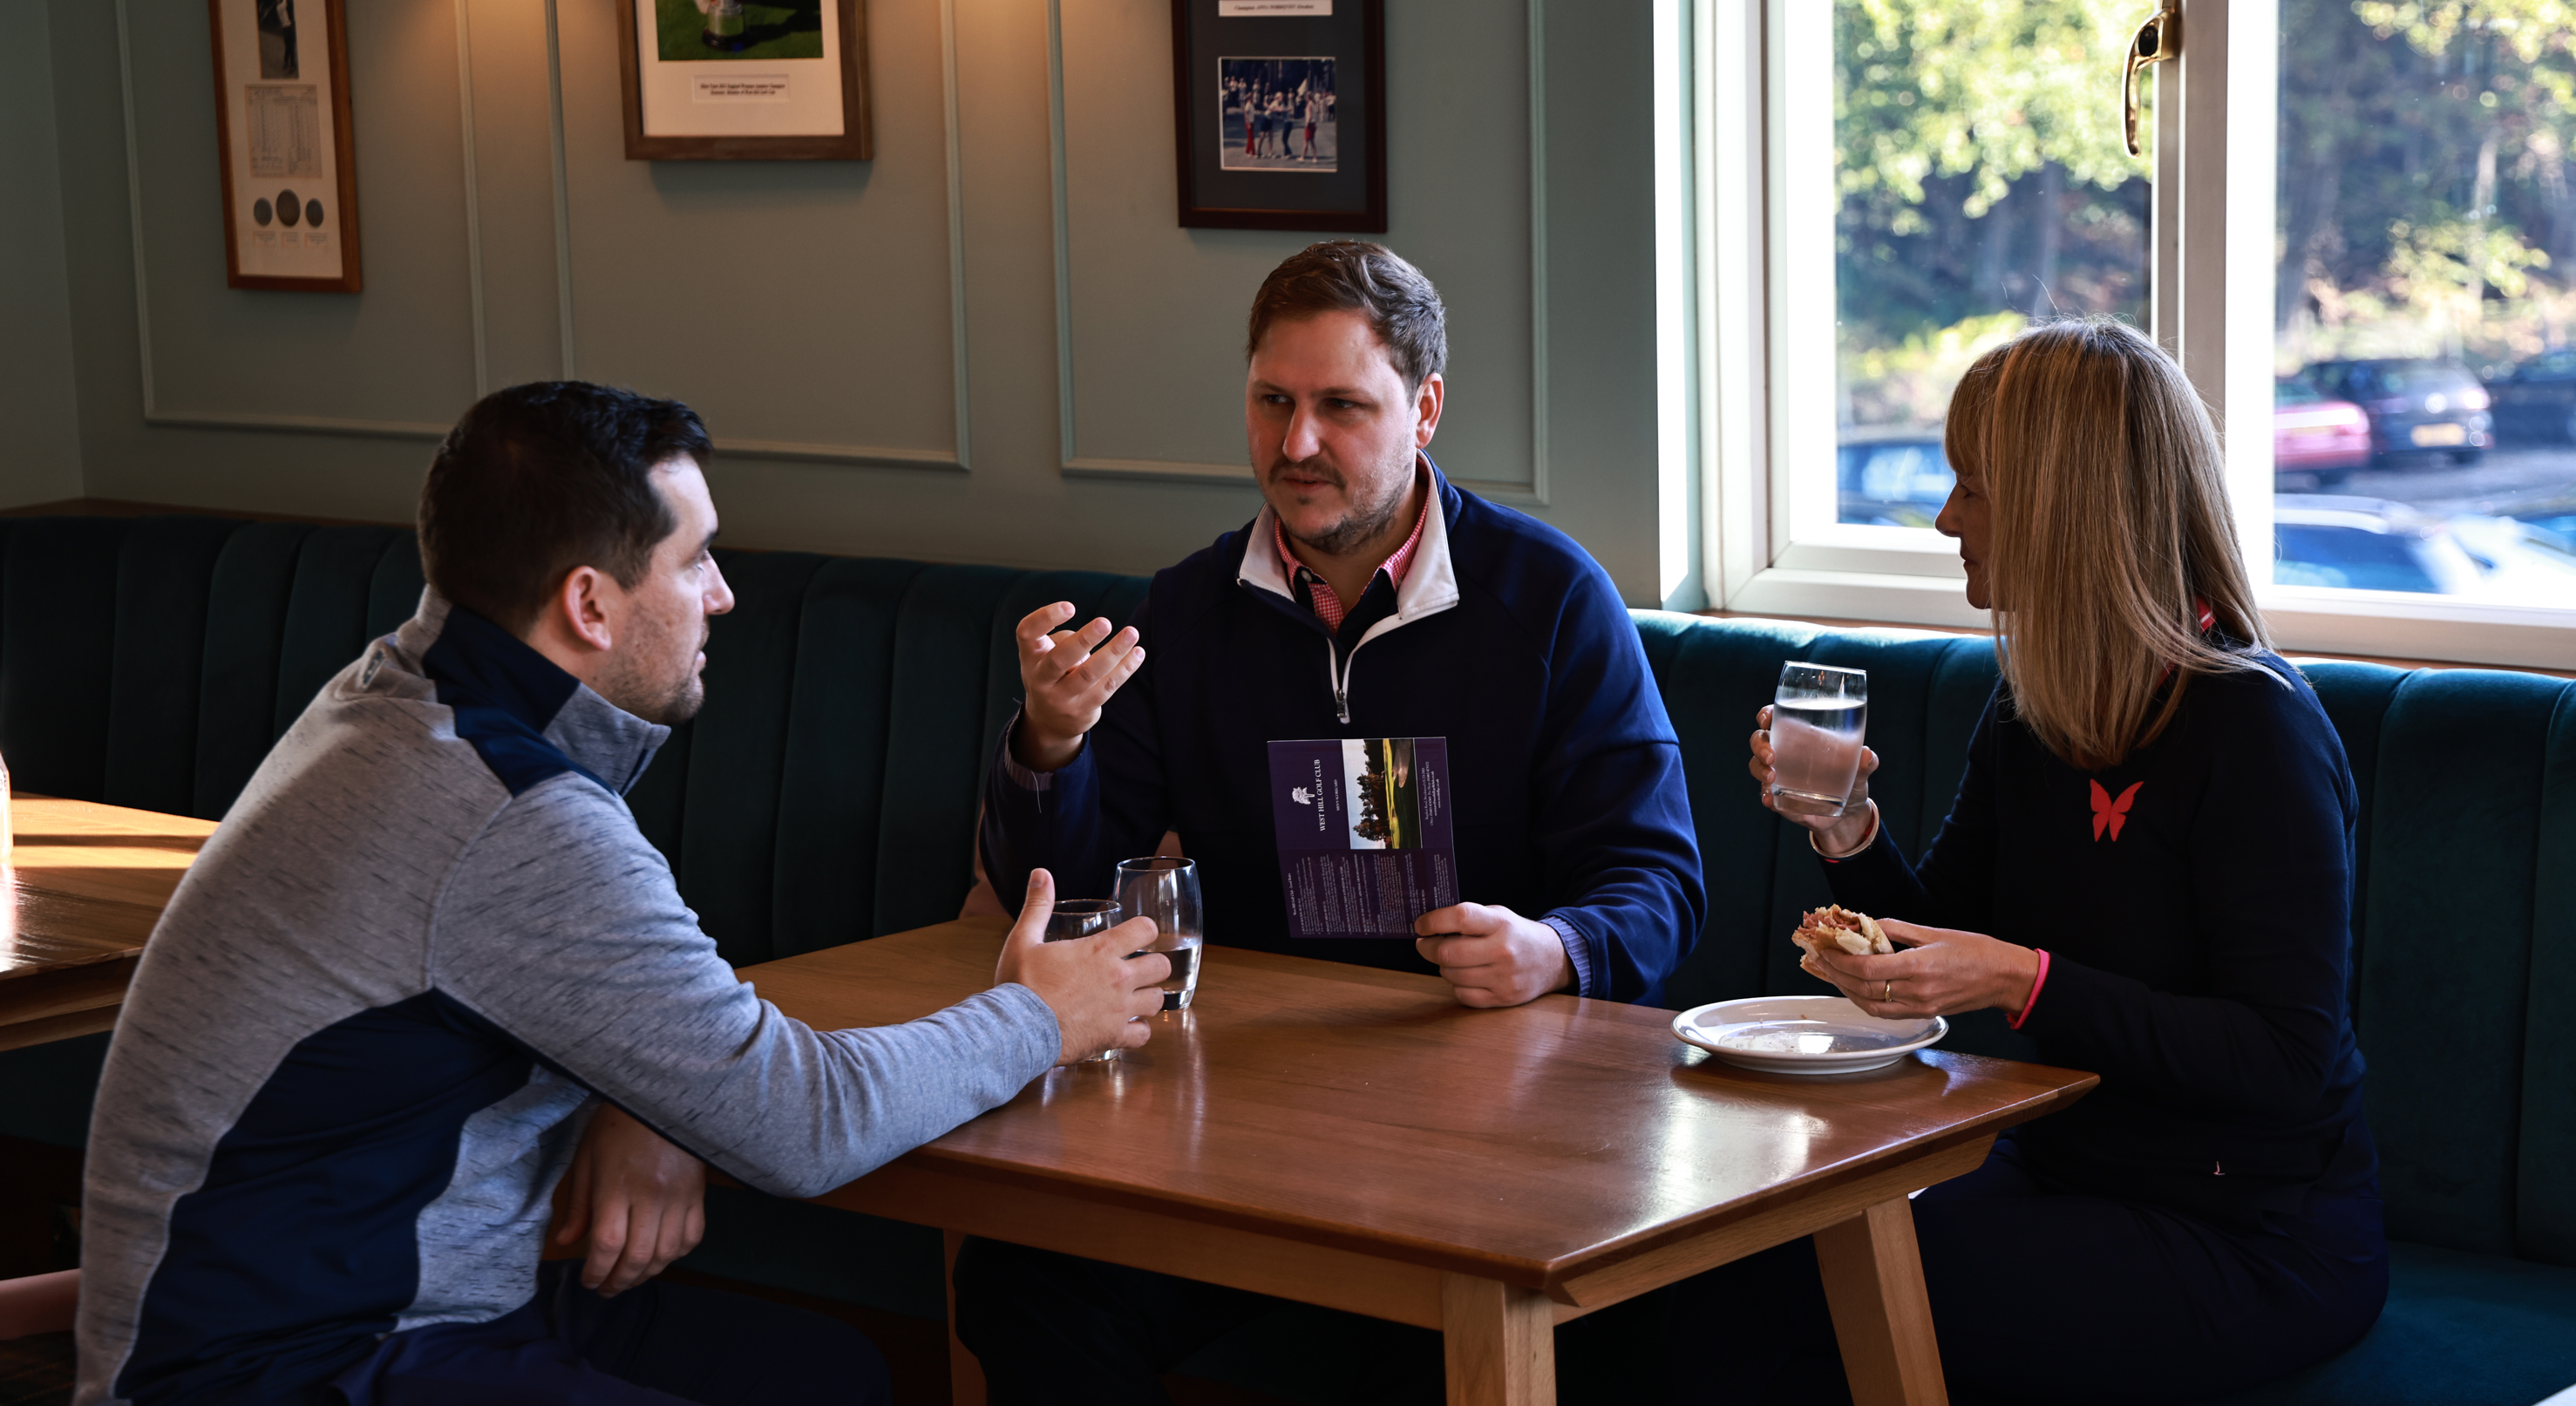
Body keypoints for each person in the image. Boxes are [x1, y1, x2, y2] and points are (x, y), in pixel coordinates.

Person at [75, 382, 1167, 1406]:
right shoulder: (511, 811)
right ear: (590, 602)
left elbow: (566, 983)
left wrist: (643, 1097)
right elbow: (802, 1123)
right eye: (695, 560)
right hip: (297, 1361)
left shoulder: (391, 695)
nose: (726, 595)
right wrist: (1042, 1016)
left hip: (397, 1300)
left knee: (824, 1373)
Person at [956, 241, 1704, 1401]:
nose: (1295, 445)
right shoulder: (1190, 610)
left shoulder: (1551, 601)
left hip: (1497, 1131)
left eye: (1341, 408)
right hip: (1248, 1125)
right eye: (1272, 403)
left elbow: (1659, 886)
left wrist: (1555, 950)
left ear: (1427, 409)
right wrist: (1050, 745)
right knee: (1023, 1283)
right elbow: (1058, 897)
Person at [1689, 318, 2386, 1404]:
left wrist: (2027, 979)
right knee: (1751, 1271)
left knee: (1822, 1305)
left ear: (2067, 508)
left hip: (2253, 1229)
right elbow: (1936, 936)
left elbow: (2288, 1055)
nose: (1945, 516)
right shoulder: (2032, 709)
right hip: (2061, 1172)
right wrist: (1846, 826)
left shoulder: (2254, 730)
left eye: (1974, 486)